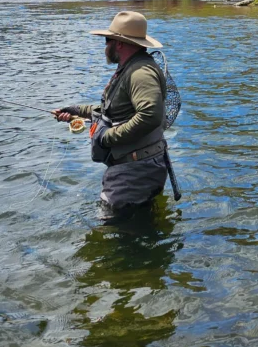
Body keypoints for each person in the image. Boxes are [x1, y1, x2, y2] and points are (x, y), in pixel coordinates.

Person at [53, 11, 170, 210]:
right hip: (136, 169)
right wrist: (76, 111)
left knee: (110, 231)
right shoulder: (129, 68)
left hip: (135, 173)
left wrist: (106, 138)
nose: (105, 46)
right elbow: (113, 111)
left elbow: (150, 116)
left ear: (120, 43)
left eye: (108, 40)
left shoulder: (140, 73)